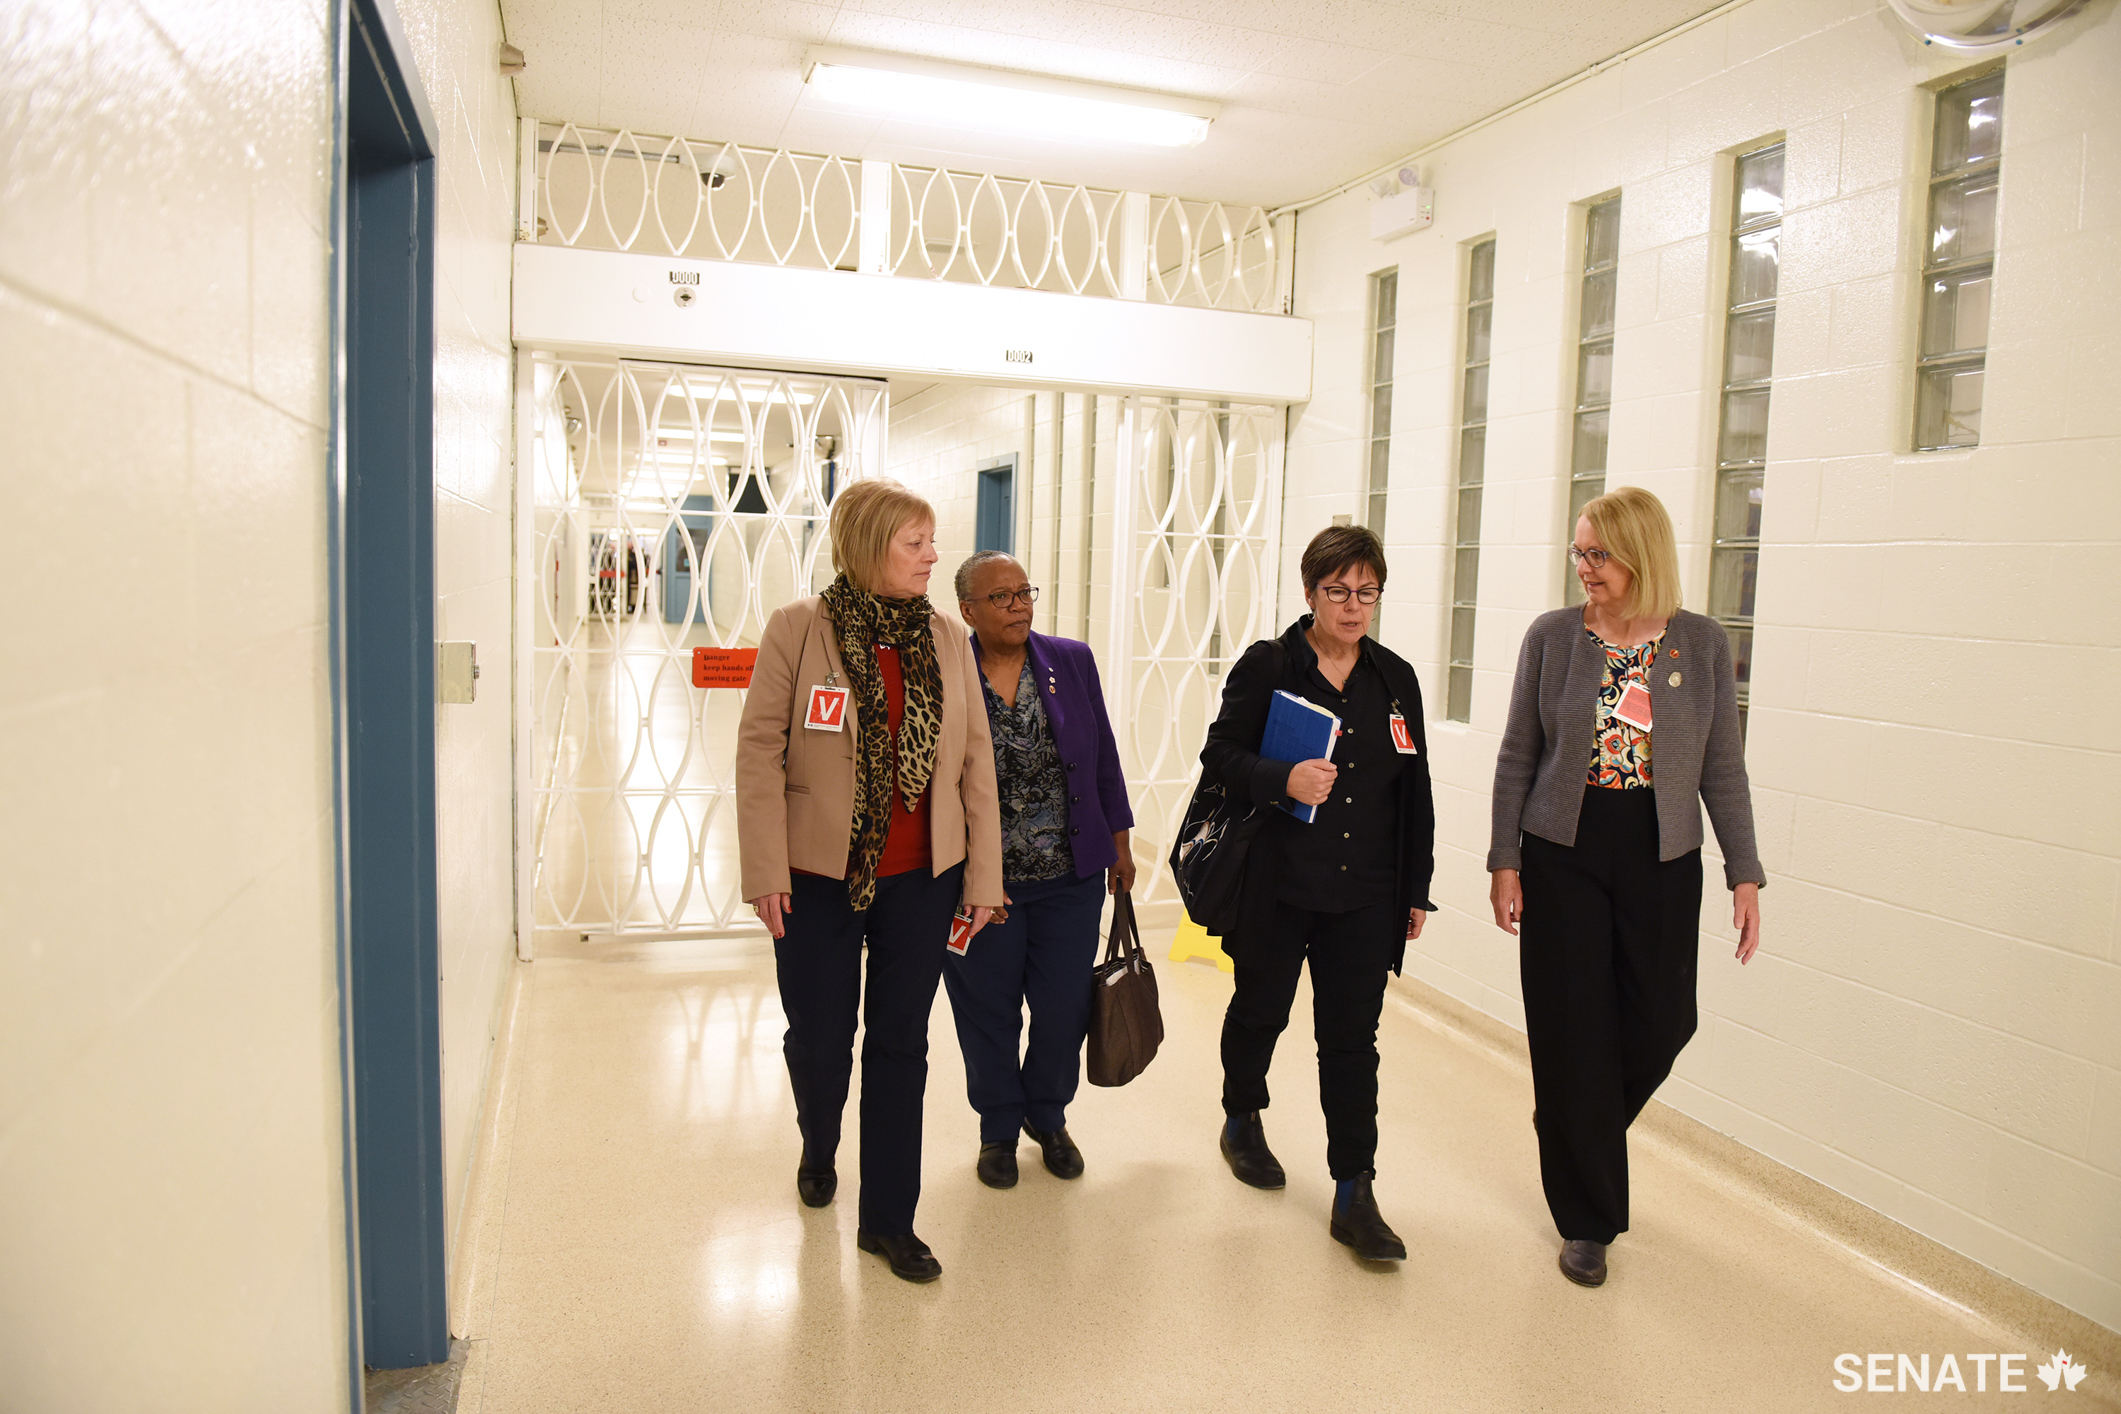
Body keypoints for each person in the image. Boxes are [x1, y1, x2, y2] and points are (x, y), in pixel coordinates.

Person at [1487, 485, 1763, 1290]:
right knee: (1570, 1026)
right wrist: (1504, 858)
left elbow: (1722, 768)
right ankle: (1587, 1222)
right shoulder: (1552, 638)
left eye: (1596, 554)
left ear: (1641, 554)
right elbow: (1516, 755)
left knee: (1663, 1019)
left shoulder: (1701, 644)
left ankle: (1572, 1120)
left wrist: (1743, 873)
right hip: (1562, 848)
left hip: (1662, 852)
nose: (1583, 567)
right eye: (1578, 552)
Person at [736, 478, 1005, 1284]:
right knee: (820, 1040)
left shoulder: (948, 638)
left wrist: (982, 878)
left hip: (922, 877)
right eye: (914, 543)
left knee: (902, 1044)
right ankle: (819, 1142)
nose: (932, 557)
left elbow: (975, 762)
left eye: (932, 541)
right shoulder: (798, 629)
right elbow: (758, 752)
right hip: (817, 874)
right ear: (867, 546)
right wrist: (763, 869)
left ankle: (889, 1220)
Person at [1198, 524, 1436, 1264]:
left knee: (1350, 1041)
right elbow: (1219, 755)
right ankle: (1241, 1114)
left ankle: (1353, 1190)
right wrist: (1283, 778)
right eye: (1338, 590)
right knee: (1260, 1010)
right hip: (1276, 880)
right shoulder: (1269, 666)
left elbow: (1414, 790)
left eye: (1366, 591)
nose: (1353, 605)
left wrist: (1416, 888)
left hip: (1364, 890)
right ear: (1309, 592)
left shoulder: (1394, 679)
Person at [944, 551, 1136, 1190]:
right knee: (987, 1008)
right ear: (968, 610)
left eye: (1024, 592)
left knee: (1063, 1007)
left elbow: (1102, 754)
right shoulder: (948, 670)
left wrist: (1121, 845)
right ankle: (998, 1127)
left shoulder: (1070, 661)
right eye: (1001, 598)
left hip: (1069, 876)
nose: (1019, 605)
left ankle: (1048, 1116)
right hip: (981, 884)